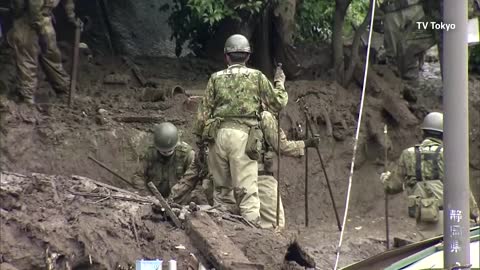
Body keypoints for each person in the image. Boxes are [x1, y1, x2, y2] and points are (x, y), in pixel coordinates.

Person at [194, 34, 288, 225]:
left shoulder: (215, 78)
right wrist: (280, 84)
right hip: (243, 138)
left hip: (217, 137)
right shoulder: (257, 76)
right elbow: (277, 103)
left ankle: (226, 235)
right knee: (247, 194)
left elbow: (202, 115)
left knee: (221, 194)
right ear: (247, 56)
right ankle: (252, 240)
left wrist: (200, 143)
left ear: (226, 56)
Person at [380, 112, 480, 239]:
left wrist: (385, 180)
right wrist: (475, 213)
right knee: (452, 253)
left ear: (423, 132)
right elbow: (462, 188)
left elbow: (393, 186)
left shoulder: (408, 154)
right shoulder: (450, 154)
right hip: (451, 216)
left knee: (428, 251)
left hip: (425, 217)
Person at [7, 0, 81, 104]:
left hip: (38, 19)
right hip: (31, 19)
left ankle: (63, 91)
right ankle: (29, 98)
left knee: (44, 56)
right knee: (36, 57)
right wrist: (40, 26)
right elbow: (33, 5)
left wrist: (71, 16)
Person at [257, 110, 319, 229]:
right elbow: (281, 146)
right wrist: (306, 144)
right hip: (260, 175)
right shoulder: (266, 116)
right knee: (276, 223)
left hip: (243, 172)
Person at [138, 122, 208, 205]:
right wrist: (148, 196)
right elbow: (138, 177)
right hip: (154, 200)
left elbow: (195, 181)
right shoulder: (149, 154)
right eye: (163, 151)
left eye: (170, 150)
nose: (166, 153)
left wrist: (186, 200)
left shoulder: (187, 154)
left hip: (180, 200)